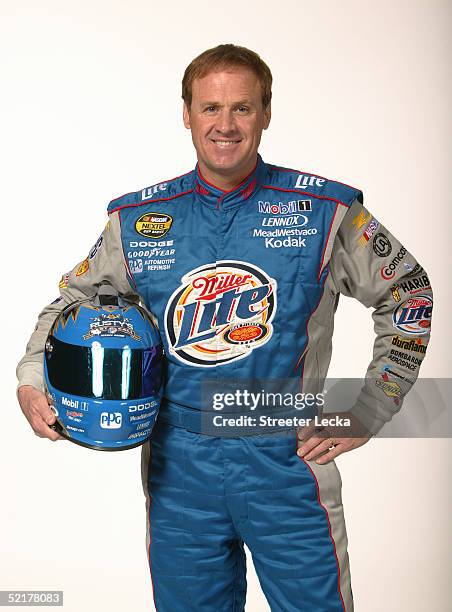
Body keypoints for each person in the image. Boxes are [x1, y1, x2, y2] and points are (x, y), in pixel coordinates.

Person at [17, 44, 433, 611]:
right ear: (186, 113)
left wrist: (371, 406)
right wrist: (33, 377)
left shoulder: (325, 211)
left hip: (288, 459)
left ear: (266, 111)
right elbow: (69, 303)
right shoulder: (138, 221)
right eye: (210, 108)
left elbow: (407, 291)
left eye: (242, 107)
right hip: (178, 465)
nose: (226, 125)